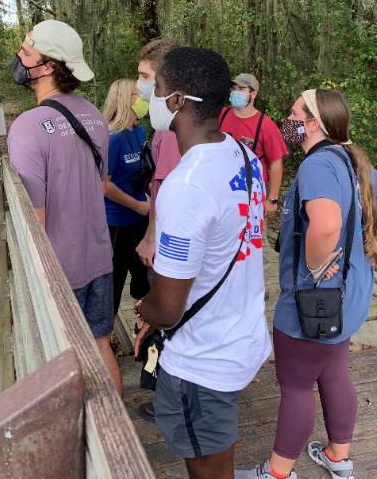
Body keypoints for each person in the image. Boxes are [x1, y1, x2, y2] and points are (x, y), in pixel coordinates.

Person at [237, 89, 377, 479]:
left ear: (312, 124)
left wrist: (316, 267)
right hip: (350, 293)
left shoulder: (318, 166)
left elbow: (325, 225)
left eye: (293, 115)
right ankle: (338, 458)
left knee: (296, 384)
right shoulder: (351, 158)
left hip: (315, 300)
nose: (286, 122)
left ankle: (277, 472)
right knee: (334, 369)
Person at [134, 47, 271, 479]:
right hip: (239, 335)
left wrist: (144, 310)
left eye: (155, 88)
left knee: (206, 467)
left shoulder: (188, 186)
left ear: (175, 101)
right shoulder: (243, 157)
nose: (148, 96)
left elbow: (168, 307)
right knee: (213, 450)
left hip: (202, 359)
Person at [6, 19, 121, 394]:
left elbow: (32, 218)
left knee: (61, 360)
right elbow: (100, 183)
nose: (18, 58)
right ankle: (117, 433)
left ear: (48, 67)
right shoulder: (95, 115)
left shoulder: (28, 126)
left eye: (26, 53)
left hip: (58, 269)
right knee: (100, 343)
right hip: (99, 255)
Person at [219, 73, 288, 295]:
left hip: (252, 198)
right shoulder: (221, 116)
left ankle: (261, 289)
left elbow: (276, 165)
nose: (236, 93)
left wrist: (273, 199)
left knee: (257, 244)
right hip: (223, 194)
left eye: (241, 89)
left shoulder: (265, 125)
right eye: (234, 89)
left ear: (253, 94)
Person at [102, 78, 151, 316]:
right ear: (124, 100)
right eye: (135, 94)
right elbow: (104, 185)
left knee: (144, 275)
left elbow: (143, 171)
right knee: (115, 278)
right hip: (117, 222)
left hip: (140, 217)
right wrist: (137, 205)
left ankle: (142, 325)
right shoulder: (113, 137)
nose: (141, 99)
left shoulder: (140, 131)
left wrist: (150, 198)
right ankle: (104, 334)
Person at [133, 39, 180, 268]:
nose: (138, 84)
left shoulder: (172, 129)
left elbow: (166, 190)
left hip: (168, 237)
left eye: (144, 76)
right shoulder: (163, 125)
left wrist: (150, 238)